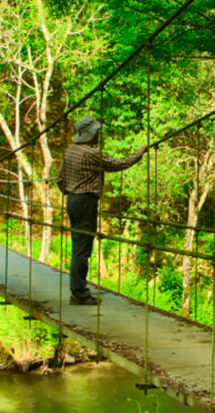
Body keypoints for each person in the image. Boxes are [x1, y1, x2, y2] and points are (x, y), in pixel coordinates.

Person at [57, 115, 147, 305]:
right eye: (97, 132)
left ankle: (78, 290)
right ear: (91, 134)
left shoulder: (69, 151)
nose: (99, 135)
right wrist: (140, 152)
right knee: (83, 249)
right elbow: (119, 164)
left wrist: (71, 191)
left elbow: (60, 179)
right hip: (86, 201)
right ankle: (79, 294)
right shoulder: (91, 153)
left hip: (72, 200)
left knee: (78, 245)